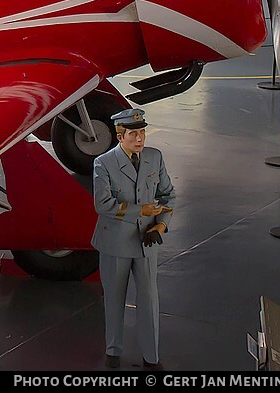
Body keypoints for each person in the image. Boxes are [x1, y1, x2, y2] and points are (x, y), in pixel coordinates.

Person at [92, 107, 175, 371]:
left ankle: (152, 356)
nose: (140, 139)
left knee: (150, 301)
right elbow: (103, 205)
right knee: (114, 298)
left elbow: (168, 195)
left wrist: (161, 226)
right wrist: (144, 212)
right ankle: (113, 350)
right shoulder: (103, 164)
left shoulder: (154, 158)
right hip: (115, 243)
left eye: (142, 133)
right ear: (120, 136)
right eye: (134, 134)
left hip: (147, 242)